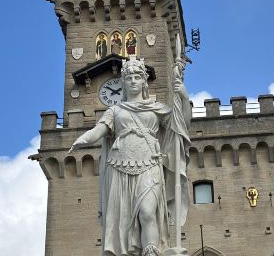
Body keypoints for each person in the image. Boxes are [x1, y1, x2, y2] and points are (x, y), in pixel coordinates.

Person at [69, 56, 191, 256]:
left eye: (137, 77)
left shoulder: (157, 108)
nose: (133, 81)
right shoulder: (115, 111)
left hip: (150, 164)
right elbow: (99, 130)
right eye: (129, 78)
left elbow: (181, 125)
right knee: (123, 218)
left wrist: (184, 98)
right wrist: (81, 140)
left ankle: (151, 250)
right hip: (120, 167)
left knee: (147, 211)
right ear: (123, 82)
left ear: (144, 81)